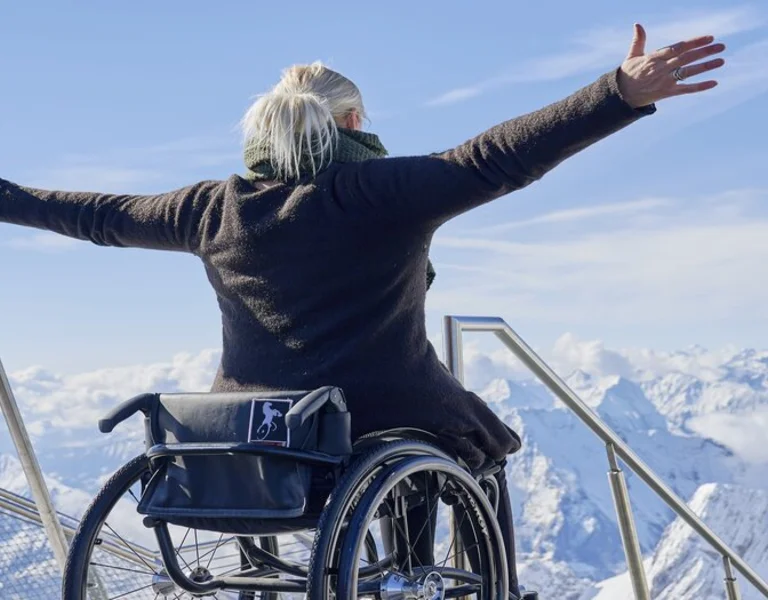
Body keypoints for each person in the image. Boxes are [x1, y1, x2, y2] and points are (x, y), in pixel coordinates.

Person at [0, 24, 725, 597]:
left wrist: (8, 198)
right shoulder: (379, 193)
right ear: (351, 120)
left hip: (257, 428)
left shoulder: (210, 208)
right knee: (485, 444)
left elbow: (100, 214)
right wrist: (615, 95)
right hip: (383, 411)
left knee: (418, 429)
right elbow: (497, 157)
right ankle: (487, 585)